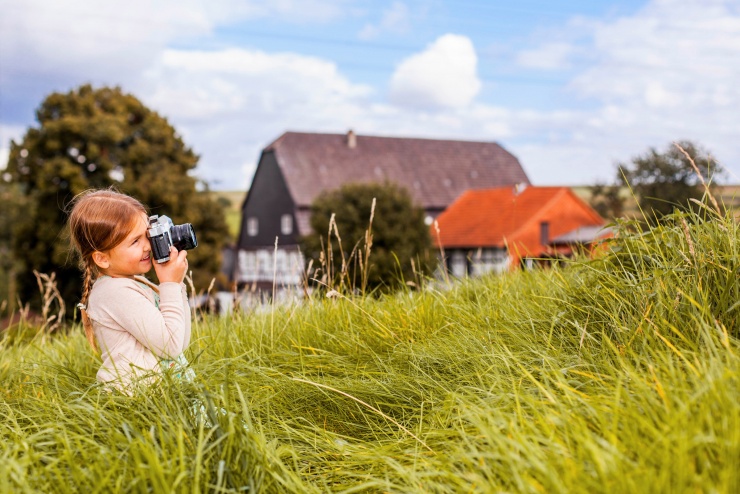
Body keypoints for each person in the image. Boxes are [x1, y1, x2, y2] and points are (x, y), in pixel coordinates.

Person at [68, 189, 194, 390]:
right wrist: (169, 285)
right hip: (139, 403)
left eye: (146, 235)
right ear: (102, 258)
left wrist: (176, 285)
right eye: (135, 241)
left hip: (162, 398)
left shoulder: (137, 283)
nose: (147, 246)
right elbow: (170, 347)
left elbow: (179, 343)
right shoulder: (114, 293)